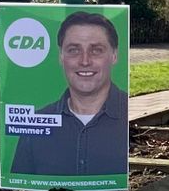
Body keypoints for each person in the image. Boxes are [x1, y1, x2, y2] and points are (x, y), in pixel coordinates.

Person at [11, 11, 128, 176]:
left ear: (114, 55)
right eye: (74, 50)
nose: (85, 61)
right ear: (61, 57)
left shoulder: (131, 115)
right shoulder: (36, 124)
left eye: (96, 50)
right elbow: (21, 186)